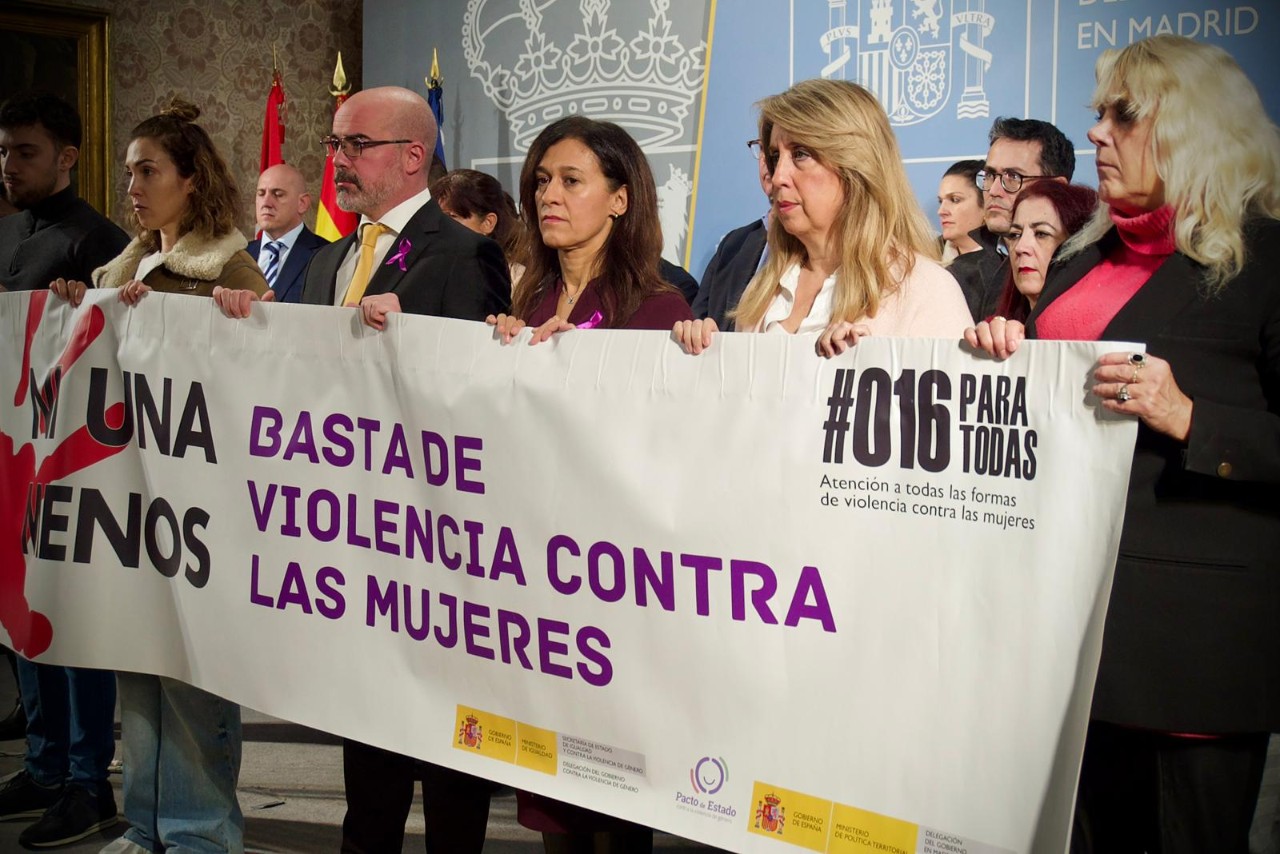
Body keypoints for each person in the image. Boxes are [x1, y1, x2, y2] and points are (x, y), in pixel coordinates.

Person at [965, 35, 1280, 851]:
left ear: (1196, 128)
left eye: (1123, 115)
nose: (1097, 132)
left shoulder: (1267, 260)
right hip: (1065, 628)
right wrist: (1004, 355)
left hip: (1186, 652)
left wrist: (1189, 416)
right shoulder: (1084, 255)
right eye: (1099, 113)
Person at [216, 85, 510, 854]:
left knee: (447, 776)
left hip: (436, 558)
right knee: (369, 771)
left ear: (413, 156)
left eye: (357, 144)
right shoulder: (328, 260)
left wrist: (417, 342)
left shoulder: (462, 254)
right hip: (353, 553)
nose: (338, 160)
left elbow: (482, 404)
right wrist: (248, 332)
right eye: (335, 144)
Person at [49, 98, 268, 854]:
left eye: (149, 171)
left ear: (191, 179)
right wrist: (79, 309)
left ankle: (200, 833)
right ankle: (144, 826)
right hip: (133, 509)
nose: (133, 187)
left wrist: (246, 316)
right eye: (130, 172)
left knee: (194, 680)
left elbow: (269, 375)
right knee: (140, 673)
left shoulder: (231, 267)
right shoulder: (119, 270)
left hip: (203, 512)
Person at [488, 114, 690, 853]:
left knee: (614, 813)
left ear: (619, 198)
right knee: (555, 815)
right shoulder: (527, 305)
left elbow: (675, 463)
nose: (549, 195)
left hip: (617, 599)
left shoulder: (660, 310)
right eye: (542, 180)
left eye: (572, 181)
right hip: (540, 596)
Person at [0, 91, 128, 850]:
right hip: (12, 455)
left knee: (75, 625)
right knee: (22, 613)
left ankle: (88, 782)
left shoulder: (99, 241)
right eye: (3, 151)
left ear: (67, 157)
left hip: (75, 467)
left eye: (25, 152)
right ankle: (44, 765)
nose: (8, 165)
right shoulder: (6, 232)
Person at [674, 78, 970, 356]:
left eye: (800, 154)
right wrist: (708, 355)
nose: (778, 177)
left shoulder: (927, 291)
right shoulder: (764, 287)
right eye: (776, 157)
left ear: (857, 167)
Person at [951, 117, 1075, 322]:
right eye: (990, 175)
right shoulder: (958, 276)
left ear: (1057, 188)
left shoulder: (1089, 268)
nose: (994, 190)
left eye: (1013, 177)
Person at [691, 136, 772, 330]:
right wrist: (697, 334)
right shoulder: (733, 245)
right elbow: (698, 319)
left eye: (776, 152)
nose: (767, 160)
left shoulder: (828, 248)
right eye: (764, 148)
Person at [988, 181, 1097, 323]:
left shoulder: (1102, 332)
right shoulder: (994, 329)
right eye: (1015, 235)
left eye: (1041, 234)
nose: (1020, 247)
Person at [248, 163, 329, 303]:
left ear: (302, 203)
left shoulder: (326, 256)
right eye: (261, 194)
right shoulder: (240, 255)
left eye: (278, 194)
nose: (266, 203)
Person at [433, 166, 526, 283]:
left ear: (488, 223)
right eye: (437, 218)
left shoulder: (519, 281)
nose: (439, 227)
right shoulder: (428, 273)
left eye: (451, 217)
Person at [936, 159, 985, 262]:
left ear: (986, 205)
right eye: (941, 201)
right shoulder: (924, 259)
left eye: (955, 200)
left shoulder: (1011, 260)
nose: (941, 211)